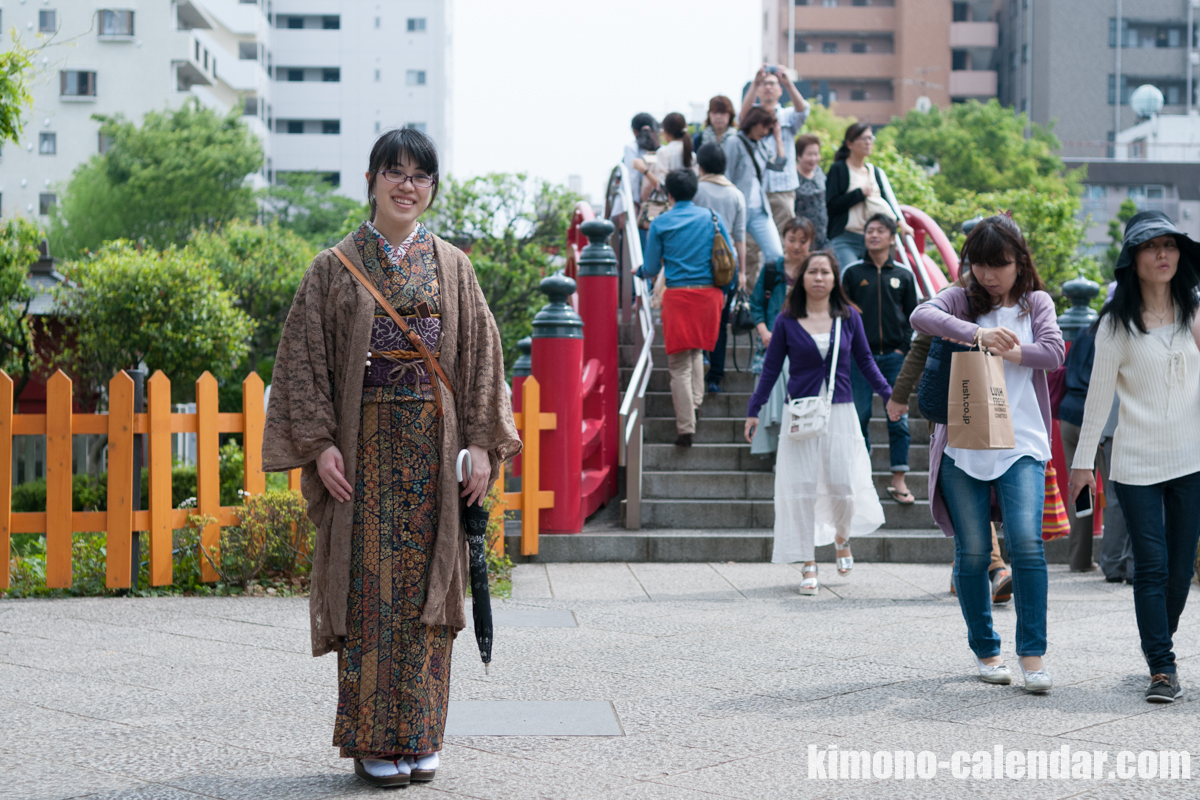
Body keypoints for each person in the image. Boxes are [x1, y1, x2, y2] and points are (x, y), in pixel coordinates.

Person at [262, 128, 521, 787]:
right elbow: (303, 363)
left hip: (436, 451)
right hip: (364, 453)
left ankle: (422, 736)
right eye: (395, 172)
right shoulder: (333, 267)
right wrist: (320, 445)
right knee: (370, 592)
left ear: (432, 189)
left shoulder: (453, 267)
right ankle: (376, 741)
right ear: (373, 180)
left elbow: (482, 360)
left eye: (421, 176)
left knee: (430, 594)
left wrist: (482, 444)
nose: (408, 186)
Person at [910, 216, 1064, 693]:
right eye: (979, 264)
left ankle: (1032, 655)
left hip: (1022, 443)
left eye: (999, 264)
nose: (989, 274)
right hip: (961, 443)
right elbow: (922, 316)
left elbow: (1054, 352)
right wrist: (976, 334)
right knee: (973, 549)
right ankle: (986, 649)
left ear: (1020, 261)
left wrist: (1011, 350)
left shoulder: (1035, 302)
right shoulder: (962, 299)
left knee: (1025, 541)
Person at [1068, 211, 1200, 704]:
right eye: (1151, 247)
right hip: (1136, 462)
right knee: (1152, 566)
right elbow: (1098, 402)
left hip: (1192, 460)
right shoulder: (1114, 327)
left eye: (1169, 245)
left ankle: (1157, 641)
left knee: (1181, 567)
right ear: (1133, 259)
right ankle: (1161, 667)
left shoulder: (1193, 313)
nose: (1163, 254)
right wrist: (1083, 466)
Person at [744, 250, 890, 596]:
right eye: (813, 272)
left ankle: (842, 537)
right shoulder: (786, 321)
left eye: (826, 272)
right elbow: (770, 369)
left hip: (840, 412)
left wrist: (889, 395)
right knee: (803, 486)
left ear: (835, 278)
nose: (820, 277)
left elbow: (866, 361)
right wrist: (754, 408)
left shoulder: (849, 317)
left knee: (843, 482)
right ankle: (808, 561)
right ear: (802, 278)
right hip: (801, 414)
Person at [887, 331, 1013, 604]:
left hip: (984, 407)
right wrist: (899, 395)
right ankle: (988, 567)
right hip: (958, 409)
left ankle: (976, 568)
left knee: (971, 491)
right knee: (966, 490)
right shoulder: (946, 307)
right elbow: (920, 348)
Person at [637, 169, 734, 447]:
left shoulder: (661, 222)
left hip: (678, 297)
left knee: (679, 364)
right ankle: (695, 403)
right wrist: (725, 292)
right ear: (695, 192)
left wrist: (639, 272)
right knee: (696, 351)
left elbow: (652, 268)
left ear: (668, 194)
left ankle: (685, 428)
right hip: (709, 296)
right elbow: (730, 258)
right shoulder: (711, 217)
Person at [842, 213, 918, 505]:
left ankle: (898, 480)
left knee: (897, 418)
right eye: (869, 230)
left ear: (891, 237)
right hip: (860, 359)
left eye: (880, 231)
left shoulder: (903, 274)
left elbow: (915, 317)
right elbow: (842, 314)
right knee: (859, 416)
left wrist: (902, 348)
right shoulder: (851, 273)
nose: (873, 235)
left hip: (895, 359)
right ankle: (862, 478)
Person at [748, 216, 813, 455]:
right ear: (783, 238)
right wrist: (764, 331)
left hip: (805, 346)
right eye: (791, 239)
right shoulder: (771, 269)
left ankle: (796, 448)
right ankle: (772, 449)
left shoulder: (815, 270)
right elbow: (756, 305)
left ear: (811, 242)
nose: (796, 246)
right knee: (768, 394)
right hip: (771, 342)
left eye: (803, 241)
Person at [692, 142, 748, 394]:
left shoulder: (695, 190)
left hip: (699, 265)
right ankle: (715, 377)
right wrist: (743, 272)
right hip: (727, 267)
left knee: (698, 318)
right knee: (721, 322)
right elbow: (740, 238)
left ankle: (699, 361)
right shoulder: (736, 194)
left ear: (700, 166)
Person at [825, 122, 913, 270]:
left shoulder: (875, 172)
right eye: (863, 139)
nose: (868, 142)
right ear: (850, 144)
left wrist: (900, 222)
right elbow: (832, 205)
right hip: (846, 237)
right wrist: (859, 194)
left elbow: (886, 203)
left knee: (878, 279)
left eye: (871, 138)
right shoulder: (838, 169)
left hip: (875, 240)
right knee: (849, 278)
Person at [738, 65, 810, 234]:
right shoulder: (752, 117)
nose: (768, 87)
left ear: (780, 90)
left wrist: (789, 84)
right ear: (758, 90)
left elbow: (803, 111)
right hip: (756, 188)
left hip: (783, 188)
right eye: (764, 84)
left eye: (772, 84)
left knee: (785, 237)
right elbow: (743, 116)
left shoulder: (786, 115)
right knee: (752, 242)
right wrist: (754, 83)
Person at [724, 106, 786, 288]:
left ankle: (763, 296)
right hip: (737, 210)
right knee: (732, 258)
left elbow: (779, 164)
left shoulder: (761, 145)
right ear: (754, 122)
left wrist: (778, 138)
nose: (766, 131)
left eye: (769, 128)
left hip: (759, 209)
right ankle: (735, 300)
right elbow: (726, 175)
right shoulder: (733, 142)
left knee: (776, 255)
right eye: (764, 127)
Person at [635, 111, 694, 203]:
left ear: (667, 132)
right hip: (688, 203)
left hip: (668, 204)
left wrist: (644, 170)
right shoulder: (691, 154)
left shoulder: (664, 152)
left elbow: (661, 185)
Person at [613, 112, 659, 223]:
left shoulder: (631, 148)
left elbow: (632, 176)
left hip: (637, 204)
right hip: (657, 203)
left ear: (634, 130)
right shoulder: (659, 148)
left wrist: (634, 202)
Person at [794, 134, 827, 251]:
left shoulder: (819, 172)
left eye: (816, 154)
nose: (813, 159)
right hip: (802, 237)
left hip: (822, 235)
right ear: (799, 155)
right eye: (809, 154)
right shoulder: (792, 177)